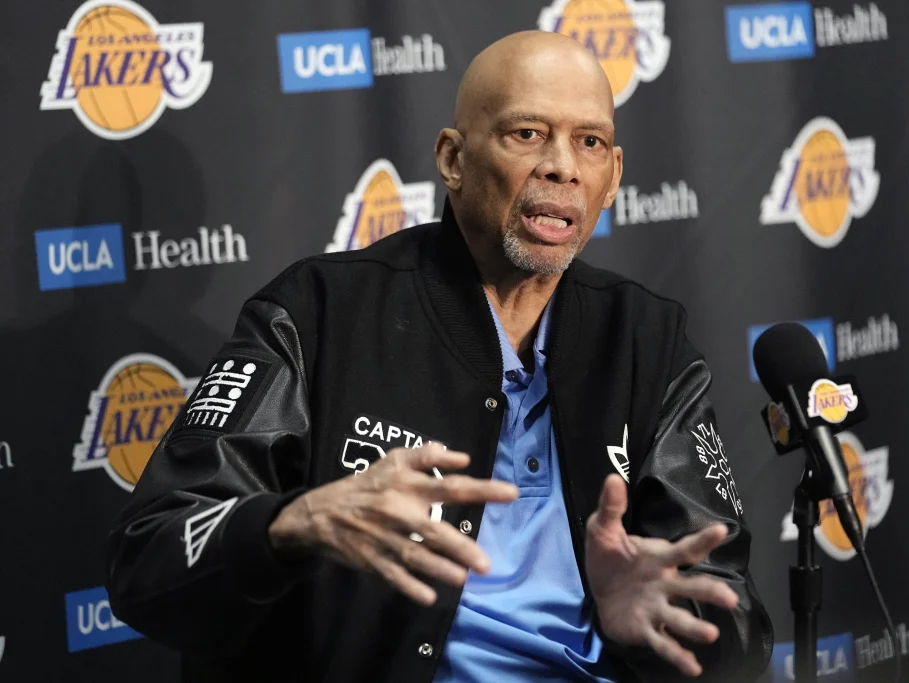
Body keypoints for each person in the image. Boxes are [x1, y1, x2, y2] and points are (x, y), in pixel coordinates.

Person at [106, 30, 772, 683]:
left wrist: (658, 625)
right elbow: (149, 557)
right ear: (453, 159)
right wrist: (288, 525)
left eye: (589, 142)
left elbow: (738, 623)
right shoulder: (317, 312)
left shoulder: (647, 339)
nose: (562, 167)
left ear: (614, 175)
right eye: (528, 134)